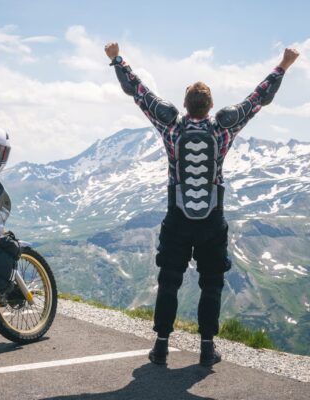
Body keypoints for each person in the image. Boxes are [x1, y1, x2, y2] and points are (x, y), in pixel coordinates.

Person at [104, 42, 299, 367]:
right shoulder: (223, 129)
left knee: (169, 281)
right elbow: (257, 98)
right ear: (210, 107)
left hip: (177, 218)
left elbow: (139, 93)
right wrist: (283, 65)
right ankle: (207, 349)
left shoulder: (171, 127)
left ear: (184, 105)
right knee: (212, 284)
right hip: (212, 221)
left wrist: (117, 60)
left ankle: (162, 347)